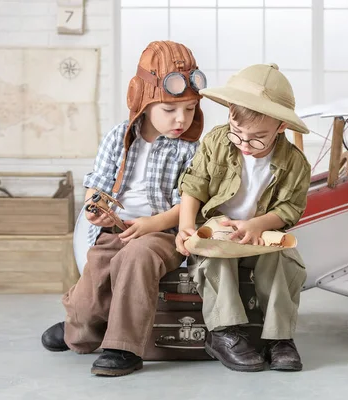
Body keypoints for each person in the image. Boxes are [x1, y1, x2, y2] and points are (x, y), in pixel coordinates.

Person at [40, 41, 205, 377]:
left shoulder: (191, 148)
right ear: (143, 102)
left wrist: (152, 223)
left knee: (135, 258)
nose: (181, 119)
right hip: (115, 228)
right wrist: (93, 207)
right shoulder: (119, 137)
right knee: (90, 295)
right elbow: (97, 182)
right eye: (171, 110)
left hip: (160, 234)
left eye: (189, 109)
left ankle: (123, 347)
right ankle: (79, 326)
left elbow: (190, 201)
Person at [175, 63, 310, 372]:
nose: (246, 146)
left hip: (260, 232)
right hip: (218, 227)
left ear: (280, 127)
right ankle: (224, 332)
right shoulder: (216, 142)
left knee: (284, 260)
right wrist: (185, 227)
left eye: (257, 138)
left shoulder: (294, 163)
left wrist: (258, 225)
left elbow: (289, 209)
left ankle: (280, 338)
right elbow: (193, 184)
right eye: (238, 135)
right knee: (215, 253)